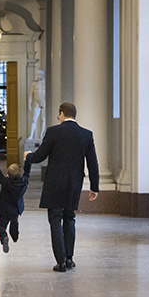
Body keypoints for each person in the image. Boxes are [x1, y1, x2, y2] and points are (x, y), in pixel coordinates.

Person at [25, 102, 99, 272]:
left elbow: (40, 155)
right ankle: (70, 258)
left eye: (59, 115)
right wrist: (94, 186)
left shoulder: (53, 132)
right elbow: (92, 163)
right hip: (74, 183)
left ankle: (61, 262)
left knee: (55, 220)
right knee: (70, 218)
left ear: (62, 114)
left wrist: (28, 156)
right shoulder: (86, 134)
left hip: (55, 183)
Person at [0, 156, 31, 253]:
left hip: (4, 209)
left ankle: (4, 236)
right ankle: (15, 233)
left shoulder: (6, 182)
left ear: (8, 175)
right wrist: (27, 160)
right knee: (14, 219)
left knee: (1, 227)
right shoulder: (24, 182)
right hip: (16, 209)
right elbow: (27, 172)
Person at [28, 69, 45, 139]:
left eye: (40, 74)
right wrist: (29, 104)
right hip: (36, 102)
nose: (39, 76)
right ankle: (31, 136)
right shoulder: (34, 84)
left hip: (44, 102)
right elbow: (30, 95)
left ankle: (42, 135)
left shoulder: (45, 83)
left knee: (43, 119)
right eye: (37, 74)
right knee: (34, 119)